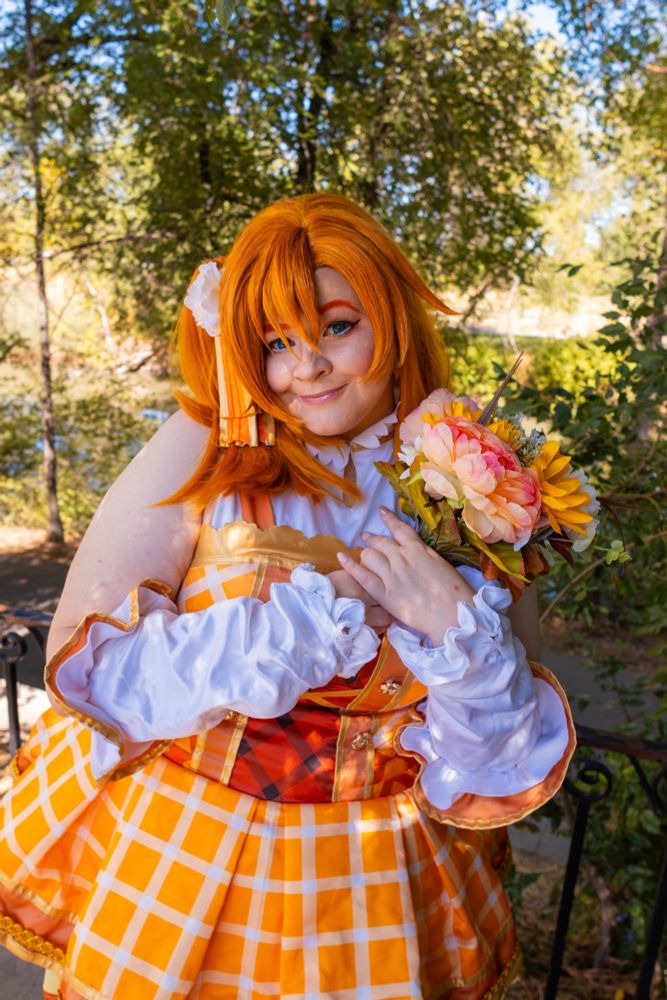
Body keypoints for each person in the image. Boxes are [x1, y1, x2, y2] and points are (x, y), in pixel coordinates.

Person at [0, 193, 574, 1000]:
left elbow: (497, 763)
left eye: (337, 327)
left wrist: (455, 631)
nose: (305, 367)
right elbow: (99, 676)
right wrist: (322, 611)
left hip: (378, 882)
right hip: (192, 863)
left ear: (392, 323)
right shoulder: (209, 445)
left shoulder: (476, 479)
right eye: (276, 341)